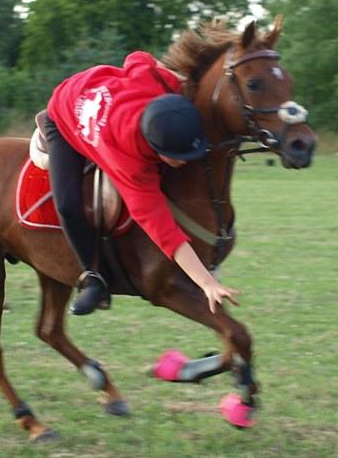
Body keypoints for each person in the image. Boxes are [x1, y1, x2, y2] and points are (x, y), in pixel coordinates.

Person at [44, 51, 239, 315]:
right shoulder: (128, 161)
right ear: (154, 148)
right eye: (178, 157)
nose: (186, 162)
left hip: (100, 85)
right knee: (67, 204)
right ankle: (93, 277)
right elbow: (164, 232)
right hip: (63, 111)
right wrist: (206, 282)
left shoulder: (161, 83)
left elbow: (137, 58)